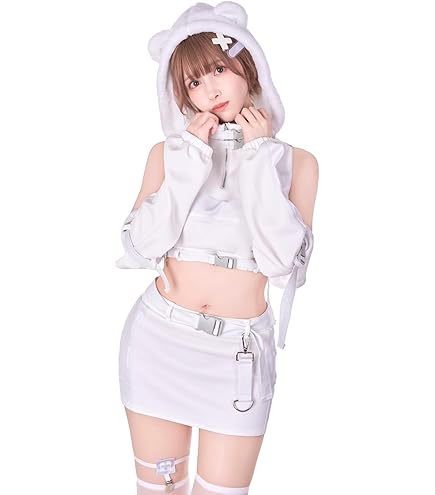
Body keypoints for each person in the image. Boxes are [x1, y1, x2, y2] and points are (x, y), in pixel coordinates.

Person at [115, 2, 319, 494]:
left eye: (219, 70)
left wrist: (258, 158)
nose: (209, 90)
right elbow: (142, 246)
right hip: (158, 342)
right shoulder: (168, 154)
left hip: (237, 358)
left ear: (248, 66)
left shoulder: (298, 164)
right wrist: (187, 163)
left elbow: (283, 267)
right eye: (193, 82)